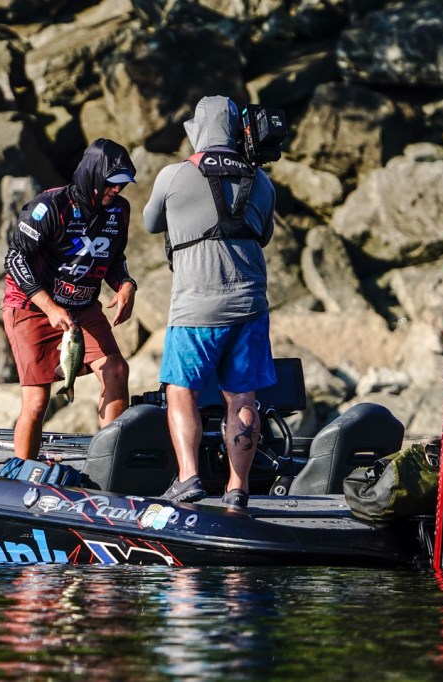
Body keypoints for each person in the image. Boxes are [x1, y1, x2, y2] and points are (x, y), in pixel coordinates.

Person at [143, 96, 278, 508]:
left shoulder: (174, 175)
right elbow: (264, 233)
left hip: (195, 308)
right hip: (250, 306)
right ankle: (238, 489)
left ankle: (189, 478)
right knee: (242, 398)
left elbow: (150, 222)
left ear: (198, 130)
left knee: (181, 391)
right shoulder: (261, 181)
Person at [2, 138, 138, 460]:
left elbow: (114, 259)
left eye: (122, 184)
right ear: (93, 176)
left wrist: (125, 284)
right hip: (32, 306)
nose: (117, 190)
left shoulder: (119, 211)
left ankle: (110, 464)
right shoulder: (48, 207)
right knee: (37, 401)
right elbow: (14, 259)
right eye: (112, 183)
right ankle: (21, 473)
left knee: (116, 369)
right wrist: (49, 307)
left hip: (82, 307)